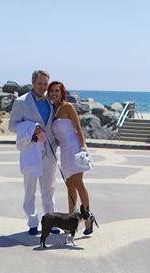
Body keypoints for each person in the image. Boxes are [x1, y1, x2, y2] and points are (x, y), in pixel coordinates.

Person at [8, 70, 58, 235]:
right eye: (40, 83)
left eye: (45, 83)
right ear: (33, 83)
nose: (43, 87)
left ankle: (51, 220)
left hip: (49, 152)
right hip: (31, 151)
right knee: (30, 189)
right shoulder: (21, 102)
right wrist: (31, 128)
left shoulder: (52, 101)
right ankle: (32, 222)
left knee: (49, 189)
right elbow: (12, 126)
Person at [47, 80, 94, 235]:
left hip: (75, 148)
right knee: (69, 185)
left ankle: (88, 219)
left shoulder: (68, 107)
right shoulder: (52, 110)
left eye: (57, 91)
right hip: (64, 152)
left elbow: (78, 128)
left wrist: (83, 146)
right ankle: (71, 221)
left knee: (78, 183)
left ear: (62, 93)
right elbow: (58, 135)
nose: (54, 93)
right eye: (51, 91)